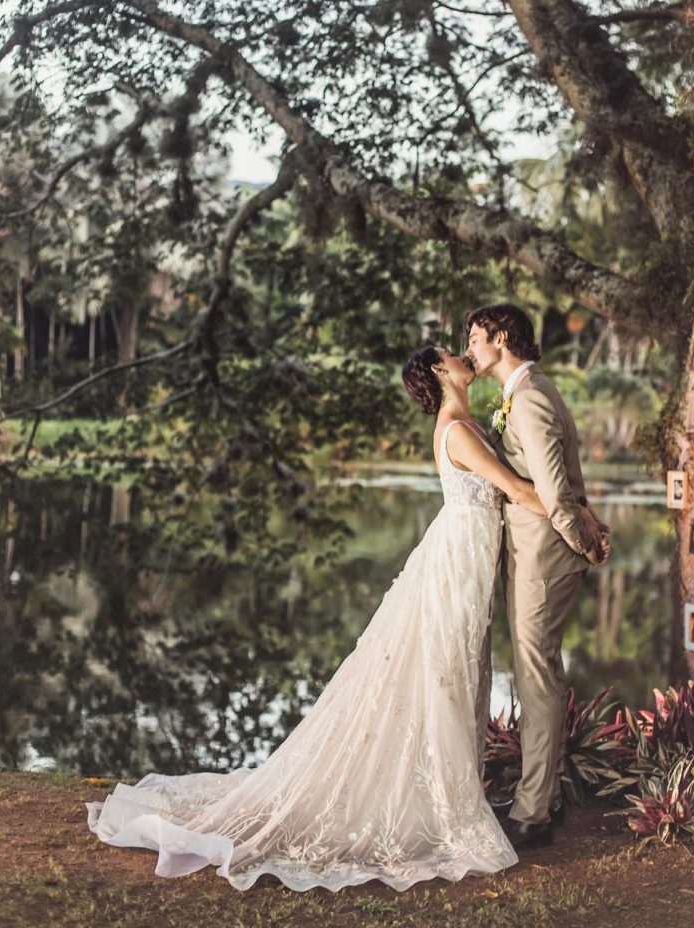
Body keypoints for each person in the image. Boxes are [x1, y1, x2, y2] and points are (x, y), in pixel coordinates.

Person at [85, 343, 598, 892]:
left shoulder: (468, 422)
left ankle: (455, 790)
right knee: (447, 674)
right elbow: (520, 490)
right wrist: (585, 525)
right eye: (451, 355)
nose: (460, 356)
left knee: (459, 677)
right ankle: (441, 801)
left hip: (466, 563)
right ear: (437, 373)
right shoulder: (458, 430)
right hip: (454, 566)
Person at [465, 303, 608, 851]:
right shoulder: (529, 391)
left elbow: (552, 492)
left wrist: (585, 542)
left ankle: (533, 814)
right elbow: (568, 477)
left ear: (501, 337)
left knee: (536, 677)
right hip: (536, 552)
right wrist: (590, 522)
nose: (471, 348)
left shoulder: (527, 398)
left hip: (545, 556)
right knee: (536, 673)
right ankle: (538, 795)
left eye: (475, 338)